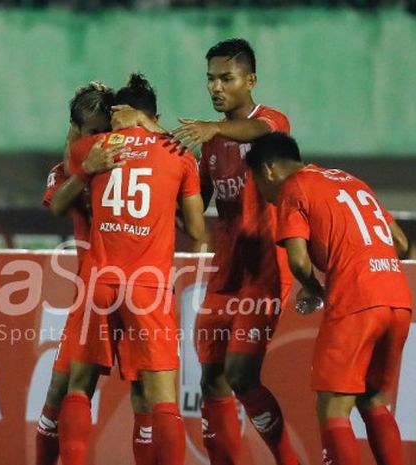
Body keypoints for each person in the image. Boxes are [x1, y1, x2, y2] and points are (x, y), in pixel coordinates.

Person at [57, 73, 206, 465]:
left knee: (79, 389)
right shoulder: (179, 155)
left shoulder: (95, 146)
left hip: (99, 280)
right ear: (153, 114)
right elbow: (196, 230)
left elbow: (69, 154)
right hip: (148, 286)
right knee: (161, 399)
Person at [245, 132, 412, 465]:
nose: (264, 196)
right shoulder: (351, 180)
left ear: (269, 170)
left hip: (356, 300)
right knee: (374, 400)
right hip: (397, 297)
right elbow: (402, 244)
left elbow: (298, 260)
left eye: (257, 184)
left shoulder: (294, 187)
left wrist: (314, 288)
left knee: (333, 407)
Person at [171, 38, 298, 465]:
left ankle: (287, 460)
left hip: (264, 270)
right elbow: (194, 211)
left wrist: (214, 127)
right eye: (210, 79)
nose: (216, 88)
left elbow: (264, 133)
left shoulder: (269, 122)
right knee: (211, 381)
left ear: (251, 80)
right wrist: (164, 182)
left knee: (242, 376)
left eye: (226, 78)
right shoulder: (209, 145)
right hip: (224, 275)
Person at [36, 81, 148, 465]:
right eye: (91, 133)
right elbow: (56, 204)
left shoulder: (136, 165)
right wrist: (86, 170)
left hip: (136, 285)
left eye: (106, 131)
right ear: (76, 133)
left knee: (145, 392)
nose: (101, 139)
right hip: (91, 290)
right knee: (60, 390)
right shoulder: (69, 172)